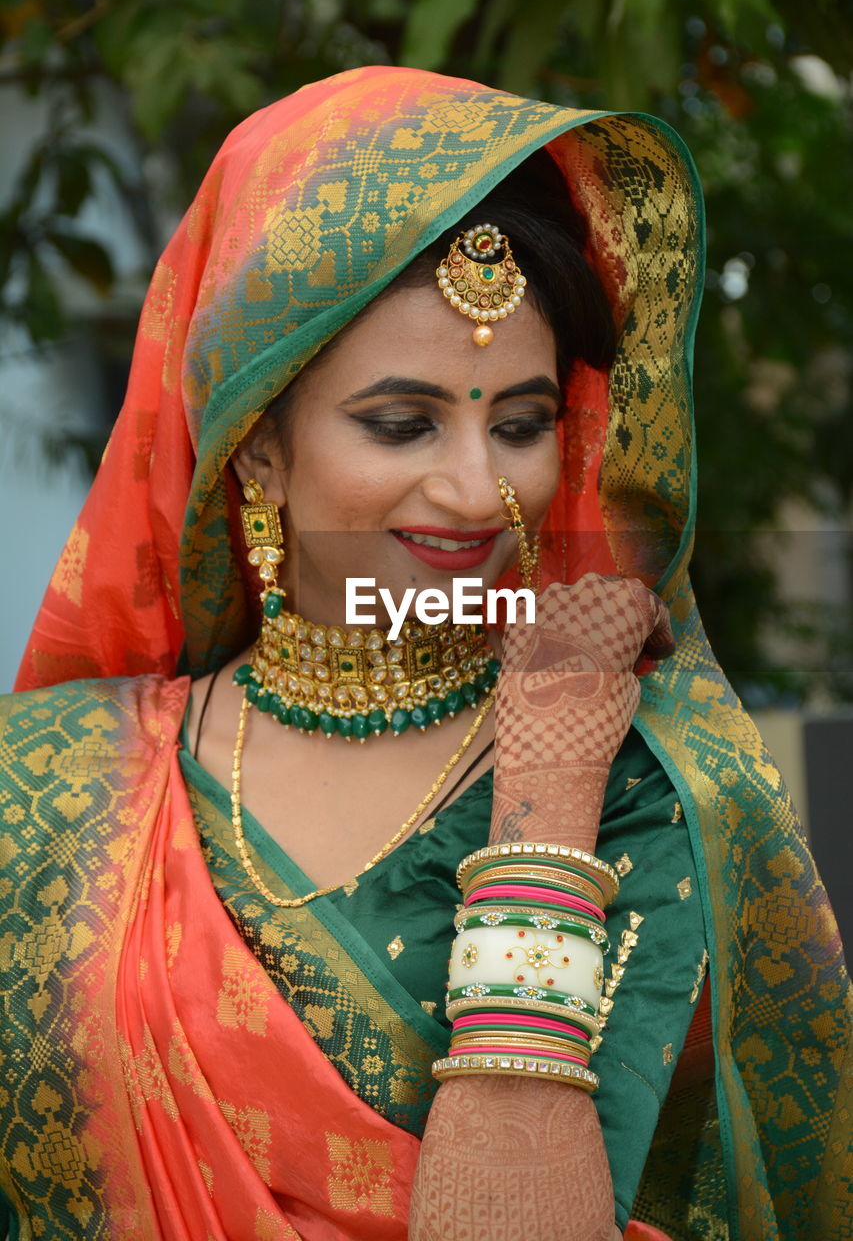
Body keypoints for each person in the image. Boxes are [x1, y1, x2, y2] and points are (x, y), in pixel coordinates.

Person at [1, 65, 848, 1241]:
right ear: (256, 452)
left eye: (520, 423)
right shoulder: (48, 786)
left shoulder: (643, 782)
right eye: (400, 423)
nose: (475, 490)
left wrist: (546, 798)